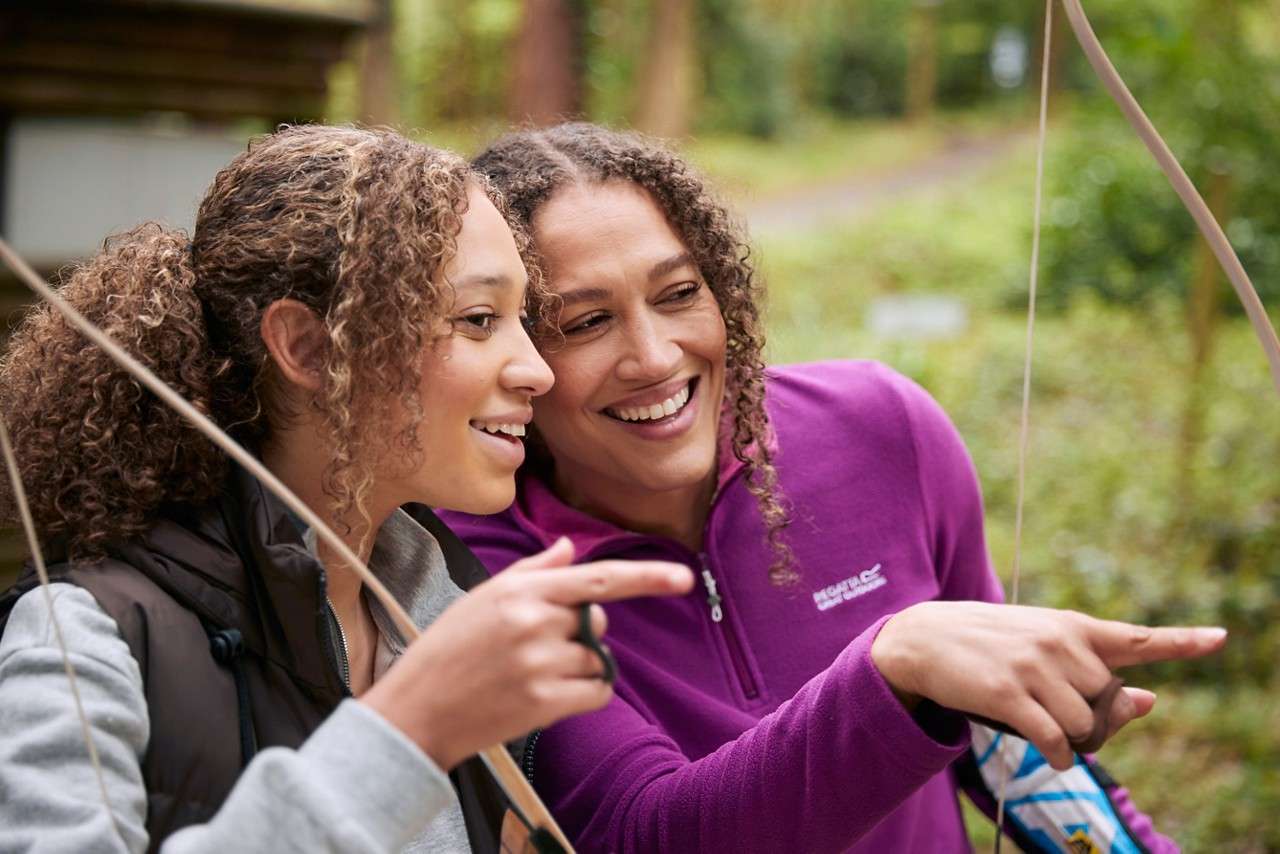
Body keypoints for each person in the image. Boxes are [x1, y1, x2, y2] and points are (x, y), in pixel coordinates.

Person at [440, 123, 1228, 852]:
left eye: (679, 294)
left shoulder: (881, 427)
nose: (654, 357)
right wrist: (893, 670)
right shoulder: (470, 558)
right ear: (514, 351)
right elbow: (640, 832)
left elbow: (1004, 743)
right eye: (585, 323)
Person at [0, 125, 693, 853]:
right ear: (308, 349)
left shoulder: (443, 604)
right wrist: (409, 732)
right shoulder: (83, 638)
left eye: (524, 320)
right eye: (478, 320)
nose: (537, 371)